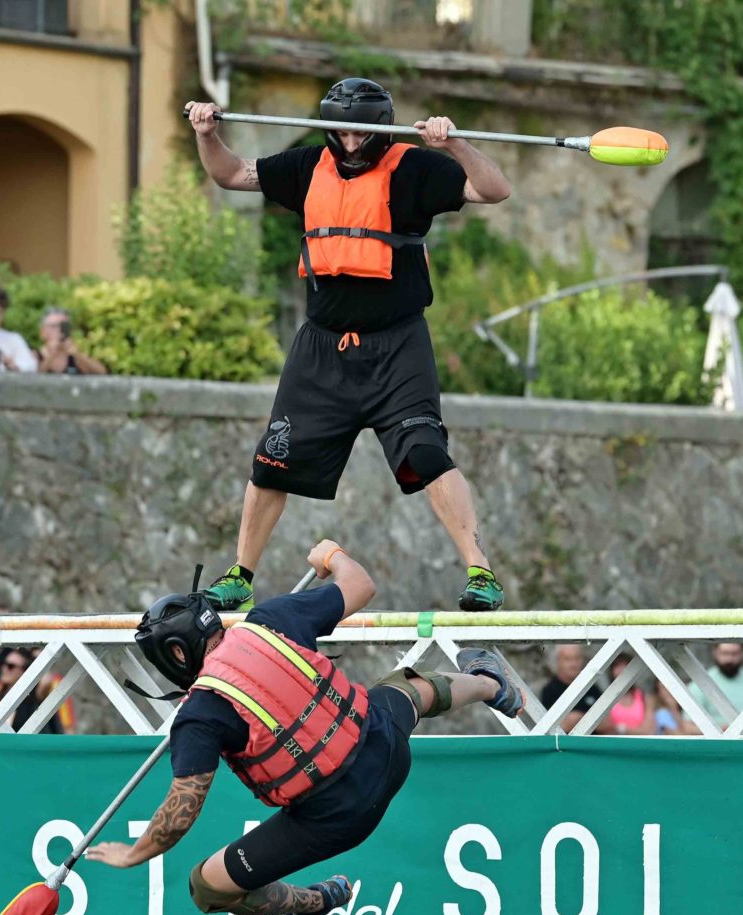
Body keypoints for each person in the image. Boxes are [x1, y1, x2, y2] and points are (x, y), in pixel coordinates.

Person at [184, 79, 512, 615]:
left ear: (383, 129)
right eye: (342, 132)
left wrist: (454, 143)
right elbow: (230, 173)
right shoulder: (305, 167)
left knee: (426, 454)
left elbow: (494, 190)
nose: (352, 143)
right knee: (271, 461)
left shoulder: (415, 169)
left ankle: (481, 572)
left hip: (397, 347)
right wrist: (207, 134)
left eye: (362, 133)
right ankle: (240, 576)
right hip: (321, 350)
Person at [86, 540, 524, 915]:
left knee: (207, 887)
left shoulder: (199, 713)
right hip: (385, 747)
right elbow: (360, 585)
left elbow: (182, 810)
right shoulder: (268, 620)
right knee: (404, 690)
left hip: (335, 818)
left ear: (176, 655)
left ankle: (312, 902)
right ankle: (490, 683)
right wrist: (331, 555)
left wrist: (135, 853)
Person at [539, 644, 603, 734]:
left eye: (577, 658)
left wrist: (577, 718)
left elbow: (607, 723)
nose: (573, 664)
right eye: (568, 659)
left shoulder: (592, 689)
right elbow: (548, 726)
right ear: (558, 661)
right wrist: (590, 719)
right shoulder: (549, 691)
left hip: (593, 742)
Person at [37, 307, 106, 375]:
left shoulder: (75, 356)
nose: (59, 330)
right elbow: (35, 375)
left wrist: (78, 355)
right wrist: (52, 355)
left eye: (64, 326)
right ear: (43, 332)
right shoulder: (35, 356)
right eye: (54, 326)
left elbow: (102, 372)